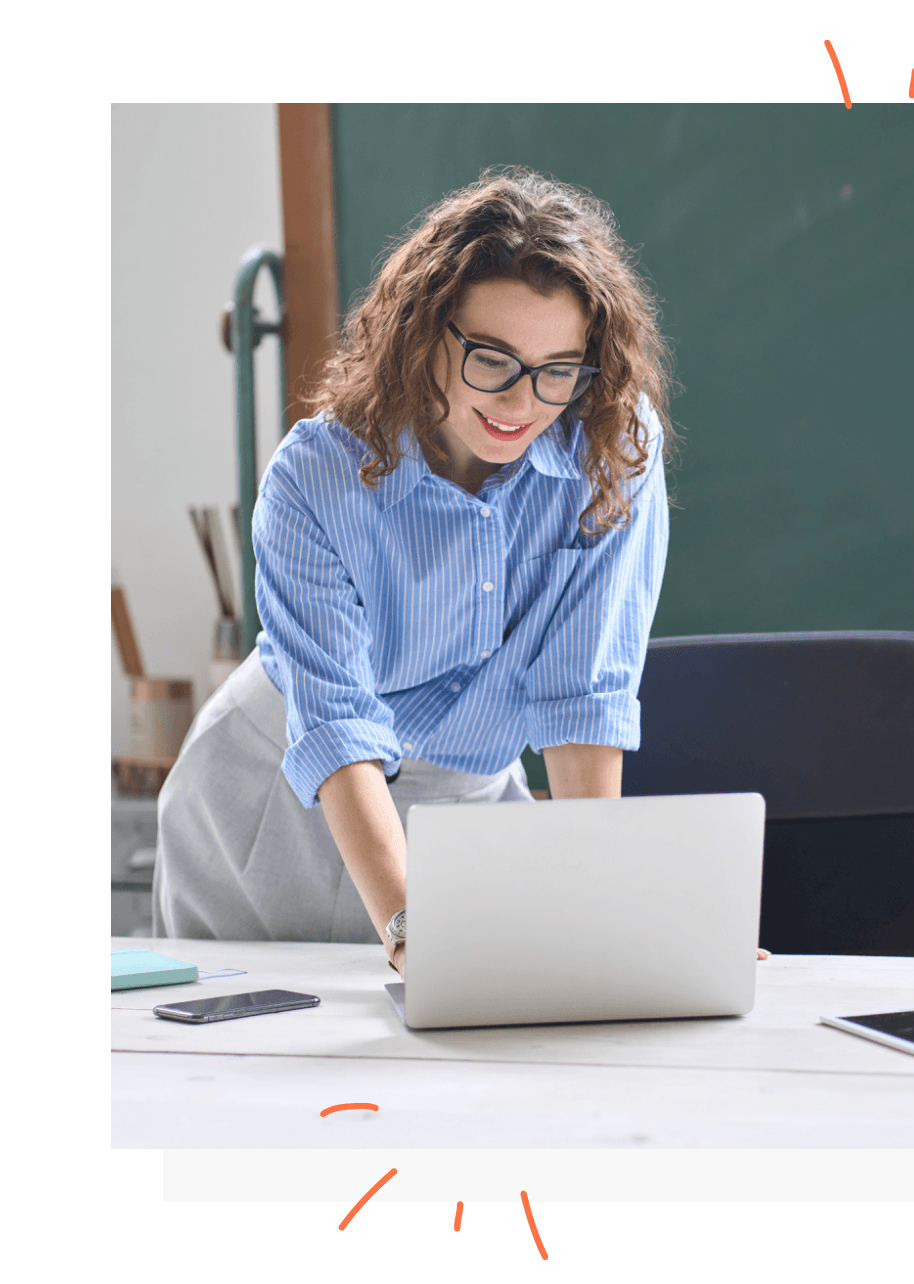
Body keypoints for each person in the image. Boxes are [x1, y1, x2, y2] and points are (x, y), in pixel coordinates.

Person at [153, 167, 678, 976]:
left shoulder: (610, 444)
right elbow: (336, 729)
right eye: (492, 360)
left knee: (480, 1061)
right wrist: (405, 927)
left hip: (463, 798)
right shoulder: (315, 477)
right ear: (423, 333)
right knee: (258, 1063)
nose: (522, 401)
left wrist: (608, 909)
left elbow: (583, 698)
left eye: (556, 369)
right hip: (275, 799)